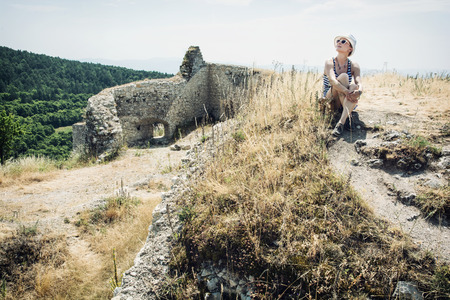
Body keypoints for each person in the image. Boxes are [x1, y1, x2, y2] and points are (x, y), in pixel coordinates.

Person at [322, 34, 363, 136]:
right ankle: (348, 117)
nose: (339, 42)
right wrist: (347, 92)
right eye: (338, 41)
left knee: (354, 87)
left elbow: (359, 82)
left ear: (350, 48)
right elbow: (333, 81)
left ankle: (341, 123)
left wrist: (359, 91)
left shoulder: (354, 65)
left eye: (343, 41)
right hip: (331, 98)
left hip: (344, 99)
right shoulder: (329, 62)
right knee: (344, 77)